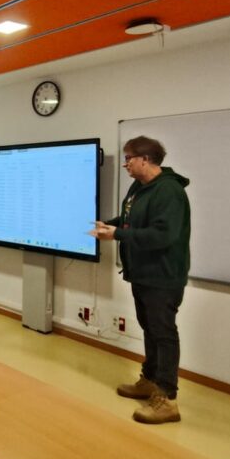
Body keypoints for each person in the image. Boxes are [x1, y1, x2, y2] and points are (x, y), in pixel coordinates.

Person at [90, 136, 190, 425]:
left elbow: (163, 235)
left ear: (145, 159)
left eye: (129, 159)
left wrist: (117, 235)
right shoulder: (139, 187)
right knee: (149, 328)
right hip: (142, 273)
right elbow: (130, 218)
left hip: (163, 276)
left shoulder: (169, 191)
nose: (125, 164)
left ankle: (167, 399)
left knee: (164, 333)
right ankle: (150, 380)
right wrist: (112, 224)